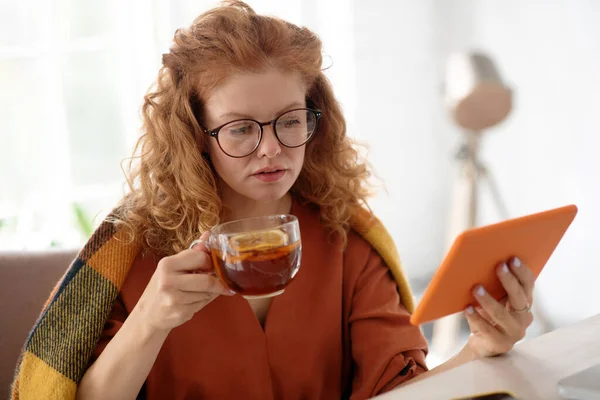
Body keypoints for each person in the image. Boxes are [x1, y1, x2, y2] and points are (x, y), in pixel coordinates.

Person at [11, 1, 535, 399]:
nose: (272, 149)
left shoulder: (346, 240)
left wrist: (479, 349)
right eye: (240, 129)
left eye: (290, 121)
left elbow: (399, 391)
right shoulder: (135, 252)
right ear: (194, 133)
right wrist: (150, 320)